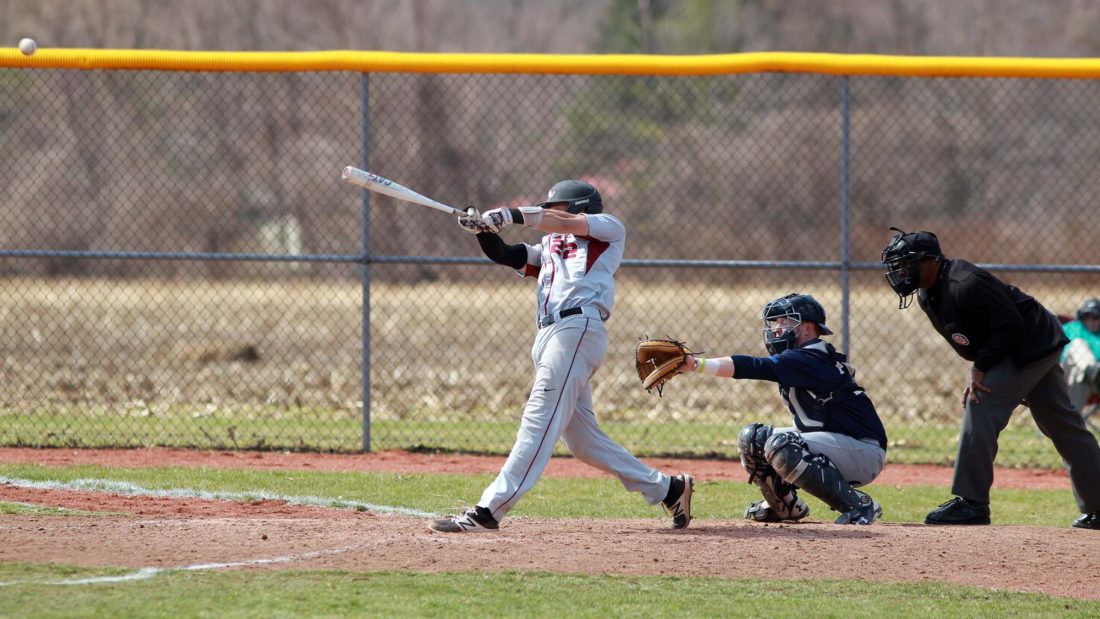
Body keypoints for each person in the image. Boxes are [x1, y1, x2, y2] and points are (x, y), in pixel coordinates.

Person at [428, 179, 694, 532]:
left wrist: (509, 213)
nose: (551, 212)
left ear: (579, 205)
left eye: (556, 206)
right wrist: (483, 231)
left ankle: (488, 510)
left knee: (538, 419)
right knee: (583, 442)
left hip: (577, 330)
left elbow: (567, 223)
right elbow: (507, 255)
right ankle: (668, 488)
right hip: (551, 335)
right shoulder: (551, 245)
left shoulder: (608, 228)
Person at [881, 228, 1100, 530]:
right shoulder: (927, 294)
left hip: (1032, 340)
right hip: (1021, 346)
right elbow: (973, 337)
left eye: (908, 263)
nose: (901, 272)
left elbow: (1009, 325)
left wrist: (985, 370)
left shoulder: (965, 283)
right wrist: (1011, 382)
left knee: (979, 402)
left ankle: (971, 503)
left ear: (931, 261)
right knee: (1063, 425)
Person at [675, 293, 888, 525]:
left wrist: (697, 364)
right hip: (839, 444)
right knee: (754, 439)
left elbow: (755, 366)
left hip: (863, 451)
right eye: (776, 323)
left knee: (782, 444)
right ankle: (784, 506)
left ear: (807, 328)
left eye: (785, 322)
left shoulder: (811, 357)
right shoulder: (804, 356)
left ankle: (859, 505)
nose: (777, 329)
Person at [1061, 298, 1100, 413]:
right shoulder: (1071, 328)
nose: (1091, 320)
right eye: (1087, 316)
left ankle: (1069, 424)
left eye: (1096, 317)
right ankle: (1093, 372)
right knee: (1078, 343)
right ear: (1082, 317)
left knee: (1081, 375)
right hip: (1064, 373)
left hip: (1088, 381)